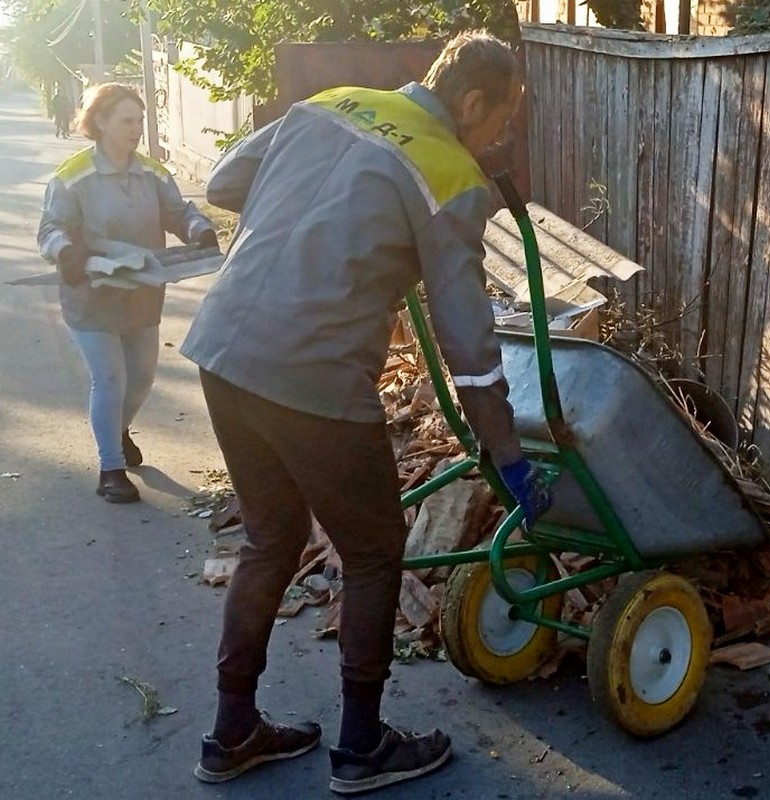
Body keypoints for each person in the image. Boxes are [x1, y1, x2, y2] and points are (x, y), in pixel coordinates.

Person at [180, 31, 550, 795]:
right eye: (501, 122)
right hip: (310, 373)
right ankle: (361, 745)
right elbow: (469, 346)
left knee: (270, 539)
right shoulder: (450, 173)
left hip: (223, 346)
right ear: (471, 100)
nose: (500, 138)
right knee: (377, 549)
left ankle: (233, 729)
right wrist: (508, 457)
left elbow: (223, 183)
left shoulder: (331, 103)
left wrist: (314, 226)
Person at [37, 83, 218, 503]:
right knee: (110, 378)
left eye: (139, 120)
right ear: (99, 122)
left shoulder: (153, 172)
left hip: (142, 295)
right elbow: (50, 230)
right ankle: (111, 469)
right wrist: (65, 252)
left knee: (141, 379)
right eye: (127, 120)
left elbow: (179, 212)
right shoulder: (73, 176)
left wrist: (200, 230)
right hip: (91, 296)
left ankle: (116, 430)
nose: (137, 128)